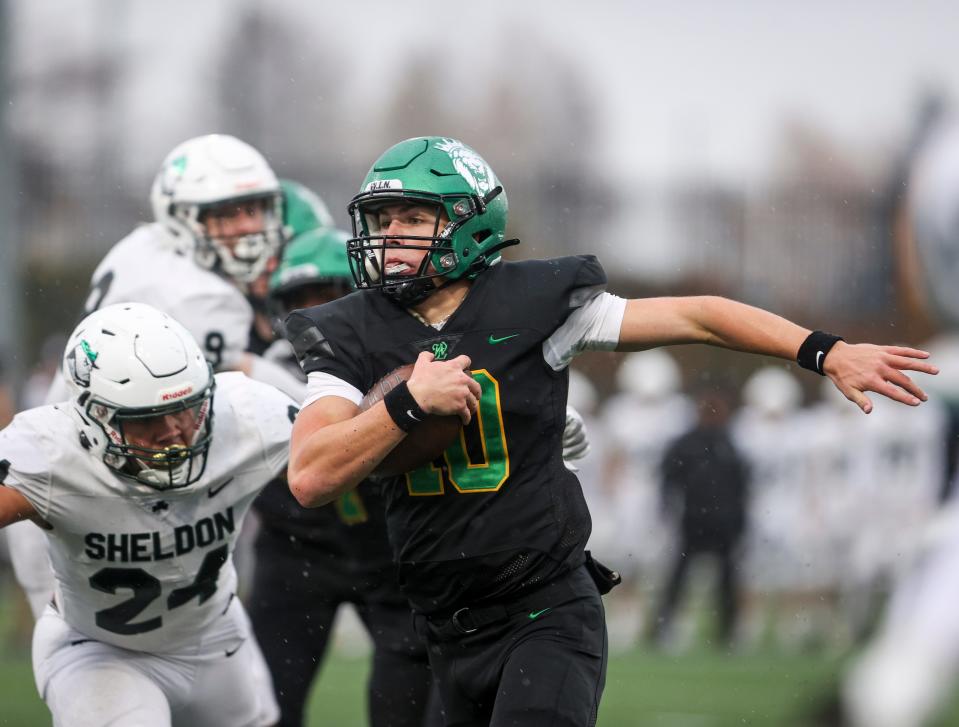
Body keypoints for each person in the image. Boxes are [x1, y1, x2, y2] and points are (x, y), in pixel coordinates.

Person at [284, 136, 937, 726]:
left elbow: (699, 316)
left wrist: (822, 351)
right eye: (382, 219)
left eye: (413, 217)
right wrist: (406, 405)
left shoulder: (534, 301)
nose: (391, 233)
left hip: (542, 610)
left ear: (467, 221)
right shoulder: (347, 329)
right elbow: (311, 475)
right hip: (441, 623)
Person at [8, 134, 311, 621]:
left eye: (255, 209)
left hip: (64, 449)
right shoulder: (202, 299)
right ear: (181, 217)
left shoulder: (141, 247)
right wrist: (324, 399)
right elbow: (235, 377)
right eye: (228, 214)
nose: (248, 226)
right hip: (96, 476)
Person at [0, 303, 296, 727]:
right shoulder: (50, 451)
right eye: (150, 418)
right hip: (100, 649)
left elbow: (349, 452)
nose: (175, 431)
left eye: (185, 408)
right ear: (95, 418)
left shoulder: (246, 412)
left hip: (215, 634)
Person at [249, 226, 439, 727]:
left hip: (389, 553)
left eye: (330, 296)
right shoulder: (259, 374)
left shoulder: (399, 358)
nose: (316, 313)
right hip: (296, 549)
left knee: (406, 708)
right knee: (266, 708)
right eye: (302, 299)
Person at [650, 385, 749, 650]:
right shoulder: (689, 444)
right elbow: (668, 480)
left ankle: (728, 632)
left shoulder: (728, 443)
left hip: (721, 521)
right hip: (694, 519)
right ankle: (664, 628)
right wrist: (668, 510)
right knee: (679, 577)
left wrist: (739, 521)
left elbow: (741, 487)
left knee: (726, 579)